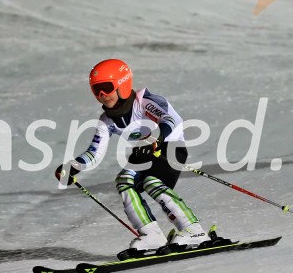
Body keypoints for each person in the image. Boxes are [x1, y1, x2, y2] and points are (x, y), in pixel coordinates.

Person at [54, 58, 209, 253]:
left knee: (152, 182)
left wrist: (155, 138)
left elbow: (170, 119)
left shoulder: (145, 102)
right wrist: (73, 167)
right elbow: (94, 153)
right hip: (143, 152)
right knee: (124, 181)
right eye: (96, 90)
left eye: (106, 88)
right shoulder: (107, 120)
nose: (102, 95)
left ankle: (193, 230)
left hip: (170, 146)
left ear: (122, 84)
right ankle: (151, 235)